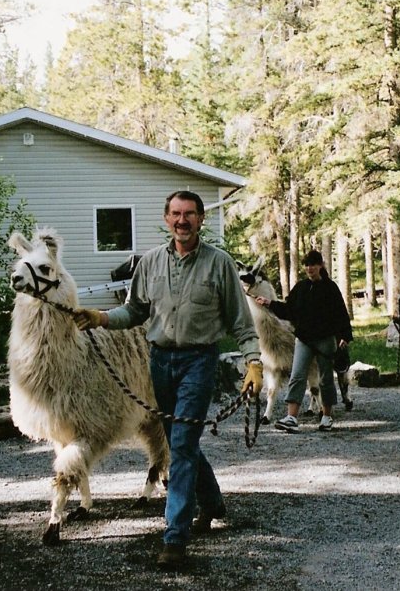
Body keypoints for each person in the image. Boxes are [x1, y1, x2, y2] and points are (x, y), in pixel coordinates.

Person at [73, 190, 263, 569]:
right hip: (159, 362)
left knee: (180, 444)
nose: (182, 220)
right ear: (166, 219)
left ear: (200, 219)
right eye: (176, 214)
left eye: (189, 214)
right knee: (184, 440)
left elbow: (242, 323)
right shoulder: (150, 264)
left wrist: (253, 363)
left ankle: (175, 536)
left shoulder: (220, 264)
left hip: (199, 361)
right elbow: (135, 311)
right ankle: (212, 502)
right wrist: (101, 318)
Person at [255, 249, 352, 433]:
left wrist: (344, 337)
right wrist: (269, 304)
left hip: (325, 340)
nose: (309, 268)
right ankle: (291, 417)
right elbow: (289, 310)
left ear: (320, 265)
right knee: (297, 375)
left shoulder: (330, 288)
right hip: (304, 339)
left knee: (325, 379)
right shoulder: (300, 288)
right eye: (307, 265)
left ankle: (326, 416)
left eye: (313, 265)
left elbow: (341, 314)